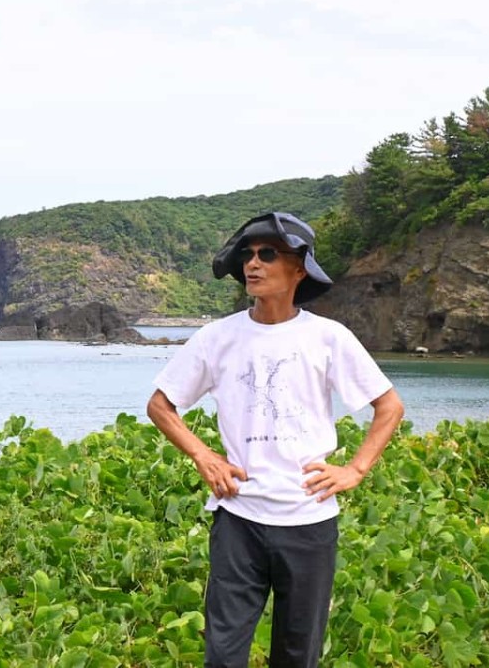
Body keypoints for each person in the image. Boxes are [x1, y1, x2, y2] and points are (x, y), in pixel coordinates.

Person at [146, 211, 405, 668]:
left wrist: (355, 469)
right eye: (248, 255)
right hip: (238, 517)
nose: (253, 263)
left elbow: (388, 407)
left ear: (299, 268)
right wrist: (204, 456)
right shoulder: (216, 338)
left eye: (268, 254)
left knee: (296, 654)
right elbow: (161, 406)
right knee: (223, 656)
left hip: (308, 519)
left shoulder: (328, 337)